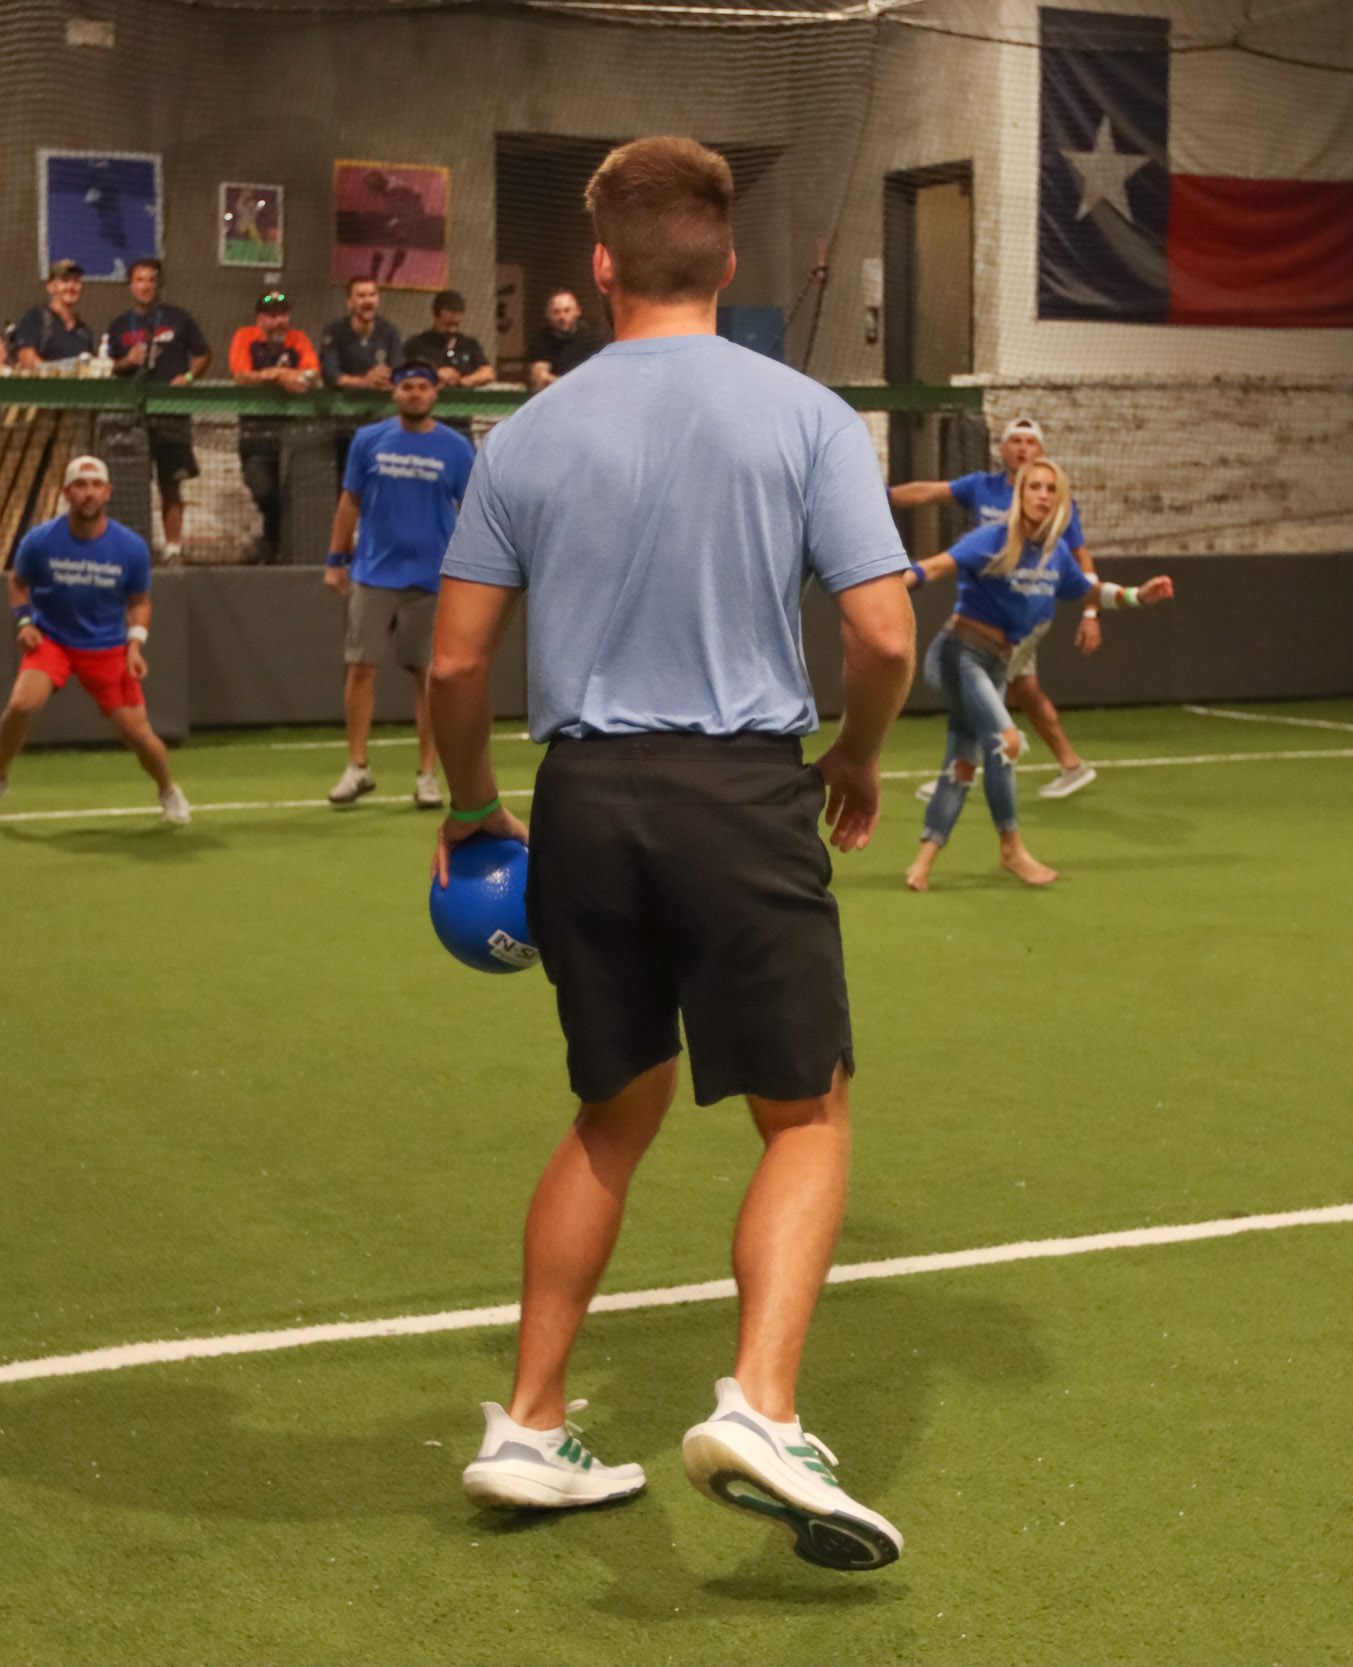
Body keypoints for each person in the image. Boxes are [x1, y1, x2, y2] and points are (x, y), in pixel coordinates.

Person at [434, 136, 919, 1570]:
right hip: (737, 792)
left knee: (612, 1109)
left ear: (600, 267)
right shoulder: (808, 415)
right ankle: (761, 1403)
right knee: (806, 1112)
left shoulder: (523, 434)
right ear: (728, 261)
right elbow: (884, 633)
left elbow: (453, 664)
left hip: (582, 802)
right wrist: (857, 753)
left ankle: (530, 1422)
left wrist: (472, 806)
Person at [900, 458, 1174, 892]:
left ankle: (922, 864)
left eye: (1051, 489)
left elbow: (1090, 592)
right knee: (1005, 742)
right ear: (1020, 494)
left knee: (963, 763)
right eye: (1034, 487)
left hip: (997, 665)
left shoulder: (1056, 554)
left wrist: (1138, 596)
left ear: (1059, 500)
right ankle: (1012, 850)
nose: (1042, 495)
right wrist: (894, 584)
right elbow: (933, 567)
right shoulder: (992, 538)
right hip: (958, 656)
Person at [0, 455, 190, 828]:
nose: (89, 493)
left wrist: (134, 646)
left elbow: (139, 601)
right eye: (80, 485)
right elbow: (17, 582)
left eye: (96, 485)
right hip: (52, 640)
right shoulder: (40, 540)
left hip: (107, 647)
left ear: (108, 492)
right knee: (21, 704)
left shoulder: (130, 547)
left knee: (137, 733)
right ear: (66, 493)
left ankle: (168, 790)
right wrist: (24, 622)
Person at [894, 418, 1105, 801]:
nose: (1023, 448)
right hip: (985, 608)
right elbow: (928, 492)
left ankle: (963, 770)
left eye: (1030, 442)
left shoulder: (1053, 503)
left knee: (977, 686)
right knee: (1025, 691)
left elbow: (1080, 558)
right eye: (1015, 441)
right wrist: (881, 496)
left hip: (1021, 617)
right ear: (1002, 450)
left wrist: (1092, 613)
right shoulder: (981, 487)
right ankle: (1072, 765)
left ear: (1041, 452)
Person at [323, 362, 474, 809]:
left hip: (432, 578)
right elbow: (350, 500)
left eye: (423, 386)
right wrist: (335, 560)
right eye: (407, 386)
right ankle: (357, 768)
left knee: (429, 676)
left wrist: (471, 570)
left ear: (435, 392)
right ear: (394, 392)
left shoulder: (458, 448)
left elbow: (473, 510)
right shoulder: (368, 440)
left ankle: (428, 775)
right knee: (360, 666)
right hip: (373, 574)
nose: (415, 393)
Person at [103, 258, 211, 561]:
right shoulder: (118, 326)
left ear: (158, 284)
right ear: (130, 285)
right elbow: (106, 366)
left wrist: (188, 377)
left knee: (171, 484)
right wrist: (127, 361)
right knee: (129, 486)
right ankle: (130, 550)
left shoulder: (179, 318)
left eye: (151, 280)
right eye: (139, 280)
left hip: (171, 415)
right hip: (132, 417)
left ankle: (173, 549)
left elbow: (203, 354)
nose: (145, 286)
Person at [226, 290, 318, 562]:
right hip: (255, 434)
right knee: (264, 490)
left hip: (294, 435)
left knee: (293, 495)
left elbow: (312, 374)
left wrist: (281, 375)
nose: (279, 320)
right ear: (260, 319)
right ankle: (272, 541)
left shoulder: (298, 339)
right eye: (272, 315)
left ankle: (277, 548)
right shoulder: (245, 337)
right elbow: (242, 376)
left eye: (283, 314)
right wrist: (279, 375)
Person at [319, 275, 405, 392]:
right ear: (349, 302)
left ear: (378, 300)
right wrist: (364, 382)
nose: (368, 301)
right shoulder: (334, 332)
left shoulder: (389, 331)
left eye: (372, 295)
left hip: (380, 398)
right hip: (343, 399)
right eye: (361, 296)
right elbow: (330, 375)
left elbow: (399, 370)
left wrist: (386, 377)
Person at [9, 259, 97, 367]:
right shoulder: (36, 318)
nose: (71, 286)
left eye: (75, 281)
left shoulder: (84, 332)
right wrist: (57, 372)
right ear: (51, 287)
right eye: (65, 281)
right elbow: (26, 357)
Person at [401, 290, 495, 388]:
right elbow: (401, 372)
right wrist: (435, 373)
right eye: (448, 324)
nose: (452, 329)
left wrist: (464, 380)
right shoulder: (416, 344)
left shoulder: (470, 344)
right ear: (436, 316)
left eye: (456, 324)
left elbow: (488, 372)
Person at [526, 288, 599, 390]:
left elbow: (596, 376)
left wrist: (556, 380)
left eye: (567, 310)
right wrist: (574, 384)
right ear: (548, 314)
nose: (562, 317)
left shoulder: (591, 340)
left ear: (578, 311)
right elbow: (541, 380)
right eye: (556, 312)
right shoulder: (540, 340)